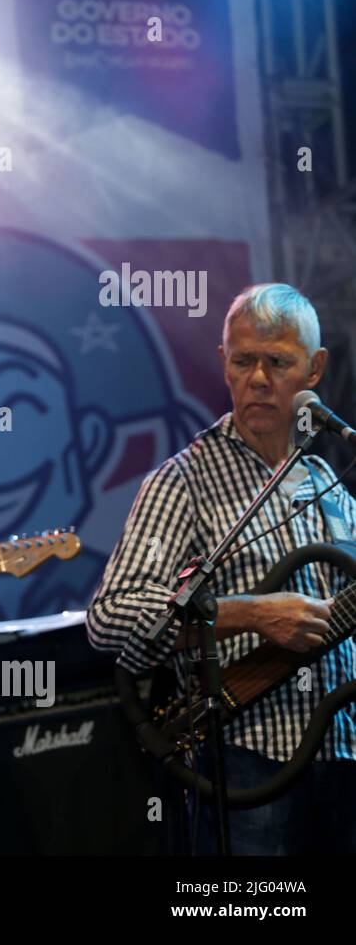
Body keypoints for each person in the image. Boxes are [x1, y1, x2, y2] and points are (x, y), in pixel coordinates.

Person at [88, 283, 356, 854]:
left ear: (315, 370)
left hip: (345, 758)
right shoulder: (182, 481)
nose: (258, 378)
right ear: (223, 363)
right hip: (247, 765)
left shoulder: (329, 485)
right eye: (243, 361)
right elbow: (109, 619)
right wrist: (254, 614)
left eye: (278, 362)